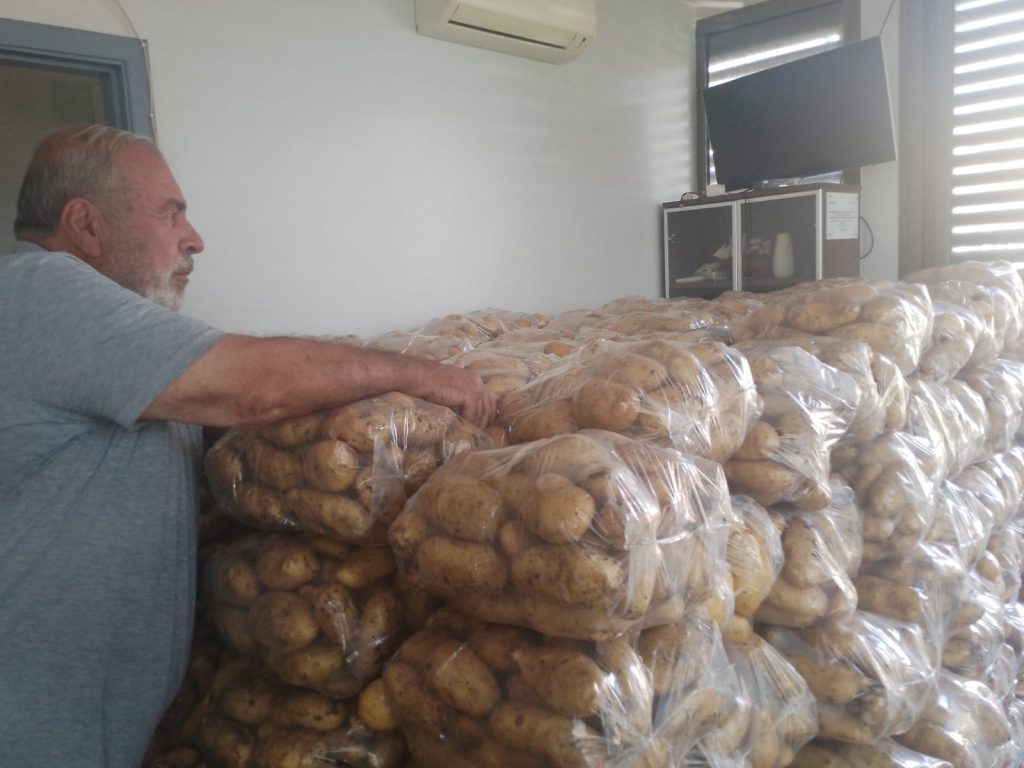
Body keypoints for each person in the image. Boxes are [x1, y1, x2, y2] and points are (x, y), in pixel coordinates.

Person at [0, 124, 496, 767]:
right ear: (85, 225)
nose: (194, 238)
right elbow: (254, 388)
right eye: (170, 213)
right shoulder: (40, 290)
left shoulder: (122, 343)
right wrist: (425, 377)